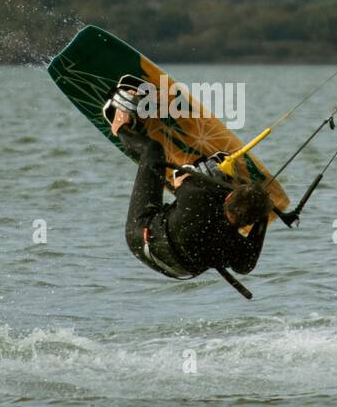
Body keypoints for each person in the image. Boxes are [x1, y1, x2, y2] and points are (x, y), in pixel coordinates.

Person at [105, 84, 270, 288]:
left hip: (142, 236)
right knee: (205, 182)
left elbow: (180, 176)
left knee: (153, 151)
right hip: (177, 269)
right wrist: (262, 217)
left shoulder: (198, 199)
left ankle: (121, 127)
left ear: (229, 197)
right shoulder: (236, 249)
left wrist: (217, 175)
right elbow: (246, 267)